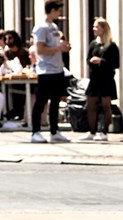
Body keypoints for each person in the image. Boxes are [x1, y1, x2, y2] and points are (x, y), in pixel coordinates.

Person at [30, 0, 72, 143]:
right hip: (46, 70)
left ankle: (54, 131)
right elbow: (40, 50)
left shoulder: (53, 26)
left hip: (57, 69)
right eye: (59, 10)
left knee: (56, 101)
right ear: (52, 10)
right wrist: (58, 48)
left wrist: (63, 48)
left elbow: (55, 47)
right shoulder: (41, 27)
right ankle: (35, 131)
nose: (60, 13)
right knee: (41, 101)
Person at [81, 18, 119, 142]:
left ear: (103, 29)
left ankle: (104, 131)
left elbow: (115, 63)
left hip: (106, 79)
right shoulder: (93, 44)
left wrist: (101, 62)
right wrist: (91, 62)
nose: (94, 29)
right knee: (90, 104)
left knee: (105, 105)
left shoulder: (112, 46)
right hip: (95, 78)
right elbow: (88, 58)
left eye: (96, 27)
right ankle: (91, 131)